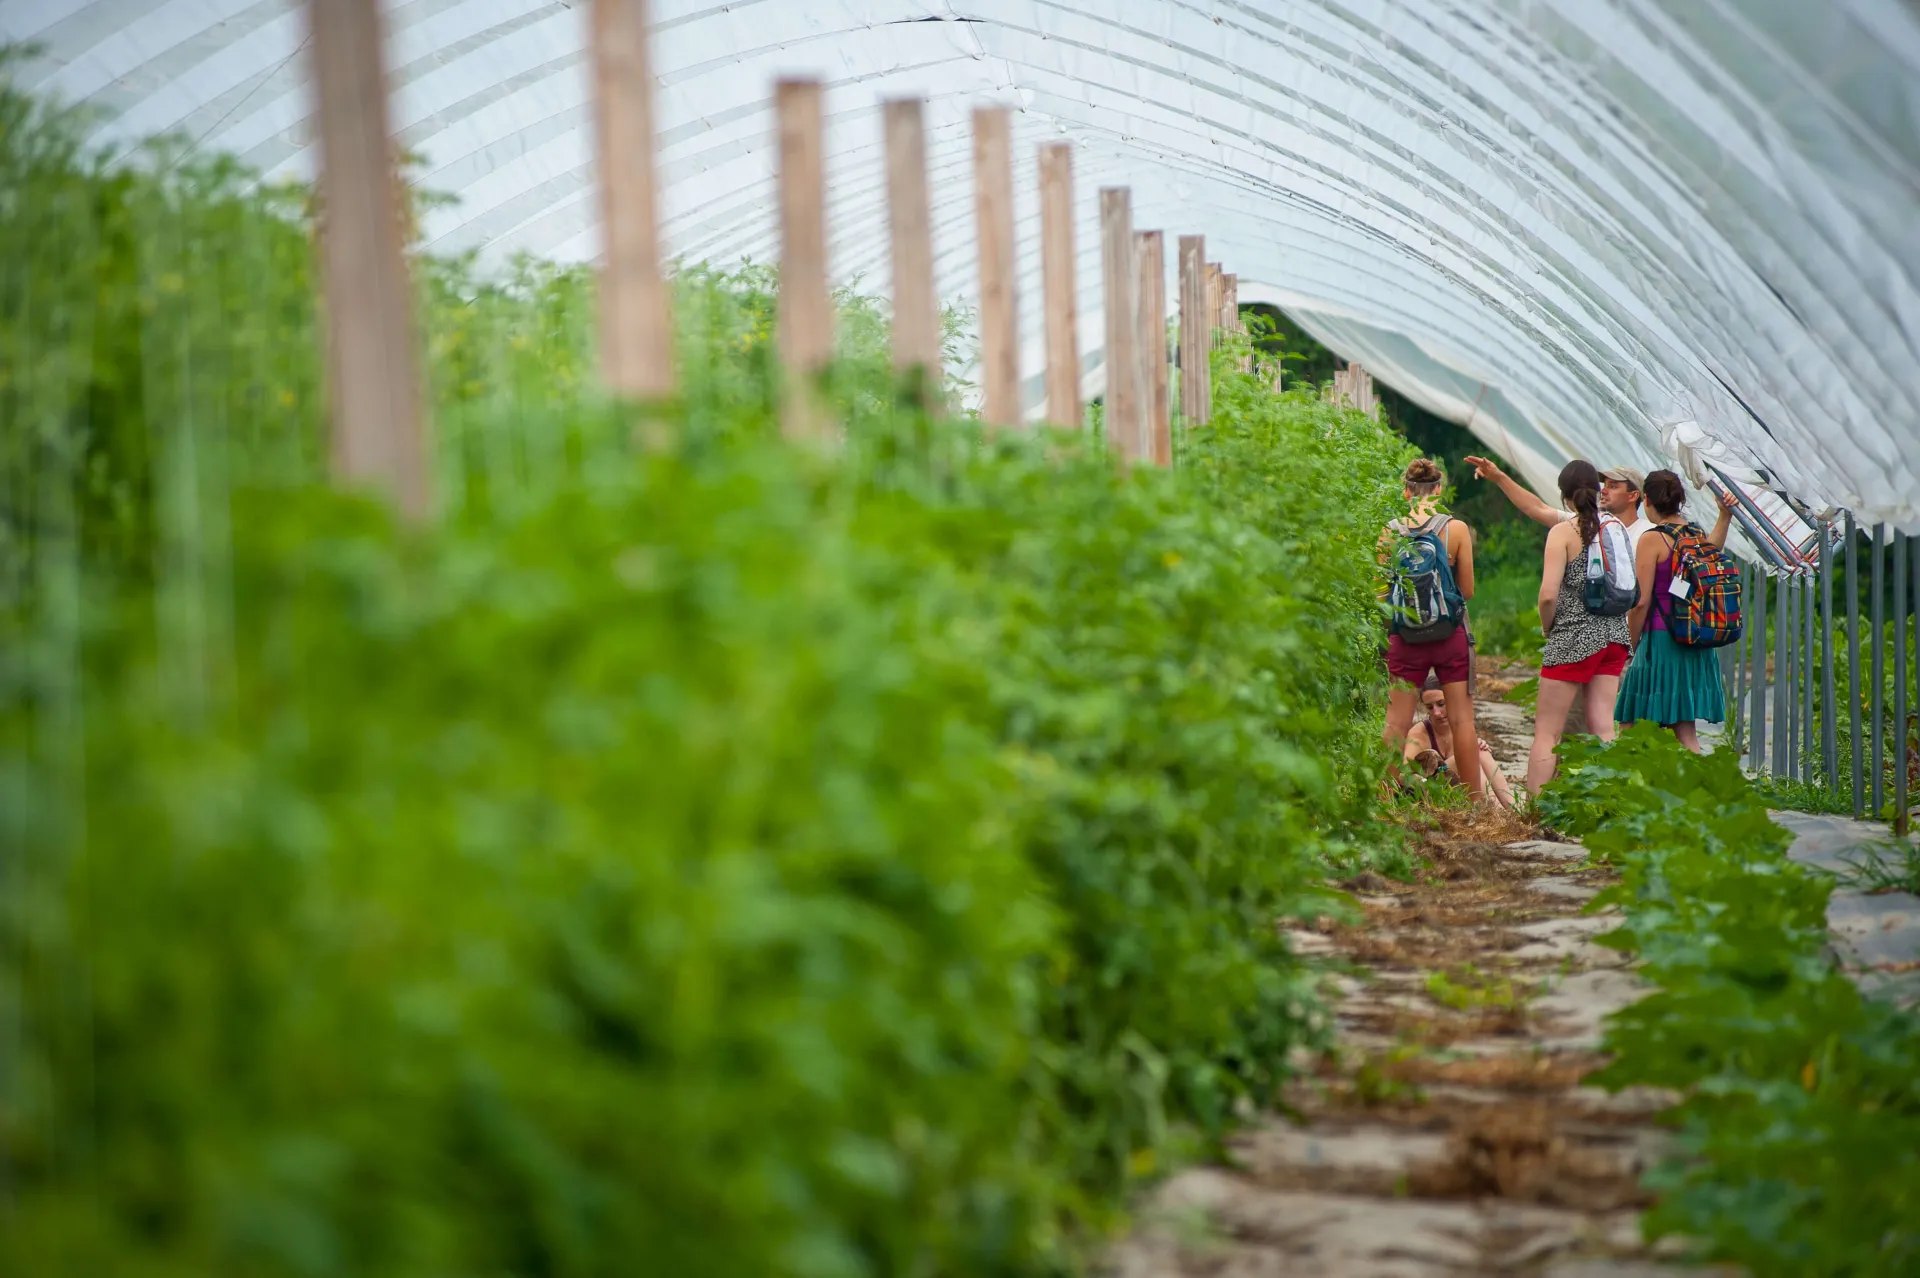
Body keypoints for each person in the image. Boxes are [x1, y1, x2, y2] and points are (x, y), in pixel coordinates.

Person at [1381, 458, 1484, 802]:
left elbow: (1381, 594)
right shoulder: (1456, 530)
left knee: (1396, 723)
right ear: (1438, 490)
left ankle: (1385, 800)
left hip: (1405, 636)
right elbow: (1466, 590)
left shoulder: (1390, 531)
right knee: (1461, 721)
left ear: (1406, 490)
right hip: (1448, 635)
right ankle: (1473, 805)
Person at [1527, 460, 1632, 793]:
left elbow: (1547, 596)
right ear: (1598, 491)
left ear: (1566, 497)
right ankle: (1610, 800)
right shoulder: (1615, 526)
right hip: (1615, 635)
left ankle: (1535, 808)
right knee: (1604, 728)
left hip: (1574, 637)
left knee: (1547, 732)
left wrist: (1548, 626)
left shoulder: (1563, 532)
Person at [1615, 471, 1737, 749]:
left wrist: (1628, 646)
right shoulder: (1694, 533)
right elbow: (1711, 555)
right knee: (1684, 731)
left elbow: (1641, 601)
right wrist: (1724, 517)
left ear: (1646, 499)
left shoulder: (1652, 539)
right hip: (1693, 638)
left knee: (1630, 726)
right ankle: (1699, 789)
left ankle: (1625, 788)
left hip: (1661, 642)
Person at [1465, 455, 1655, 549]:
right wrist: (1499, 477)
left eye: (1614, 486)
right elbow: (1537, 508)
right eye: (1604, 484)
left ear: (1633, 496)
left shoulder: (1648, 533)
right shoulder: (1587, 523)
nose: (1604, 489)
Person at [1405, 676, 1516, 808]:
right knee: (1471, 752)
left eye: (1441, 704)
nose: (1436, 712)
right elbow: (1403, 773)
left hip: (1458, 791)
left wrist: (1477, 744)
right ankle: (1498, 814)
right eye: (1430, 707)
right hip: (1430, 792)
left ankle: (1513, 810)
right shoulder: (1419, 733)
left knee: (1480, 751)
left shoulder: (1460, 727)